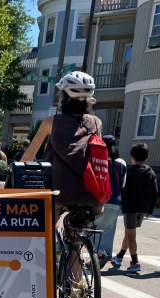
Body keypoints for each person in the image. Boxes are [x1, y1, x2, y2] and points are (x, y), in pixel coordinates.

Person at [22, 71, 104, 218]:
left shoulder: (50, 122)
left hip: (58, 191)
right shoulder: (97, 123)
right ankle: (76, 238)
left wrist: (16, 168)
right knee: (78, 227)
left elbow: (29, 156)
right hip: (91, 193)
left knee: (46, 231)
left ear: (63, 97)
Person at [111, 142, 158, 272]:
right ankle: (120, 256)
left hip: (130, 206)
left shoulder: (129, 171)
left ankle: (135, 261)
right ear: (147, 157)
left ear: (132, 157)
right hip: (143, 207)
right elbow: (155, 192)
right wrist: (150, 209)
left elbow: (123, 188)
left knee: (131, 234)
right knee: (129, 232)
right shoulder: (150, 172)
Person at [93, 135, 127, 267]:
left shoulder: (98, 160)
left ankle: (97, 255)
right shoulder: (121, 162)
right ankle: (103, 253)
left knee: (91, 229)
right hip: (115, 201)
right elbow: (123, 184)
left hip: (99, 199)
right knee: (108, 231)